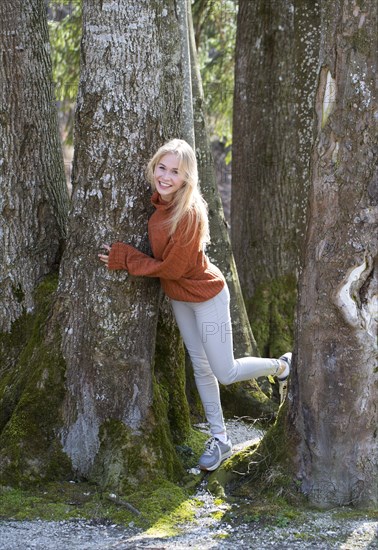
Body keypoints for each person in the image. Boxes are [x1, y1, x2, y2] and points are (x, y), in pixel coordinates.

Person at [98, 139, 291, 471]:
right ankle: (221, 439)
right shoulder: (160, 206)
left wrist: (127, 258)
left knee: (224, 371)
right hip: (179, 298)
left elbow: (172, 267)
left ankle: (282, 368)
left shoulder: (188, 213)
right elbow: (169, 271)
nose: (166, 176)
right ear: (153, 167)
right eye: (162, 167)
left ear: (187, 178)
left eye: (176, 171)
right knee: (200, 368)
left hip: (207, 297)